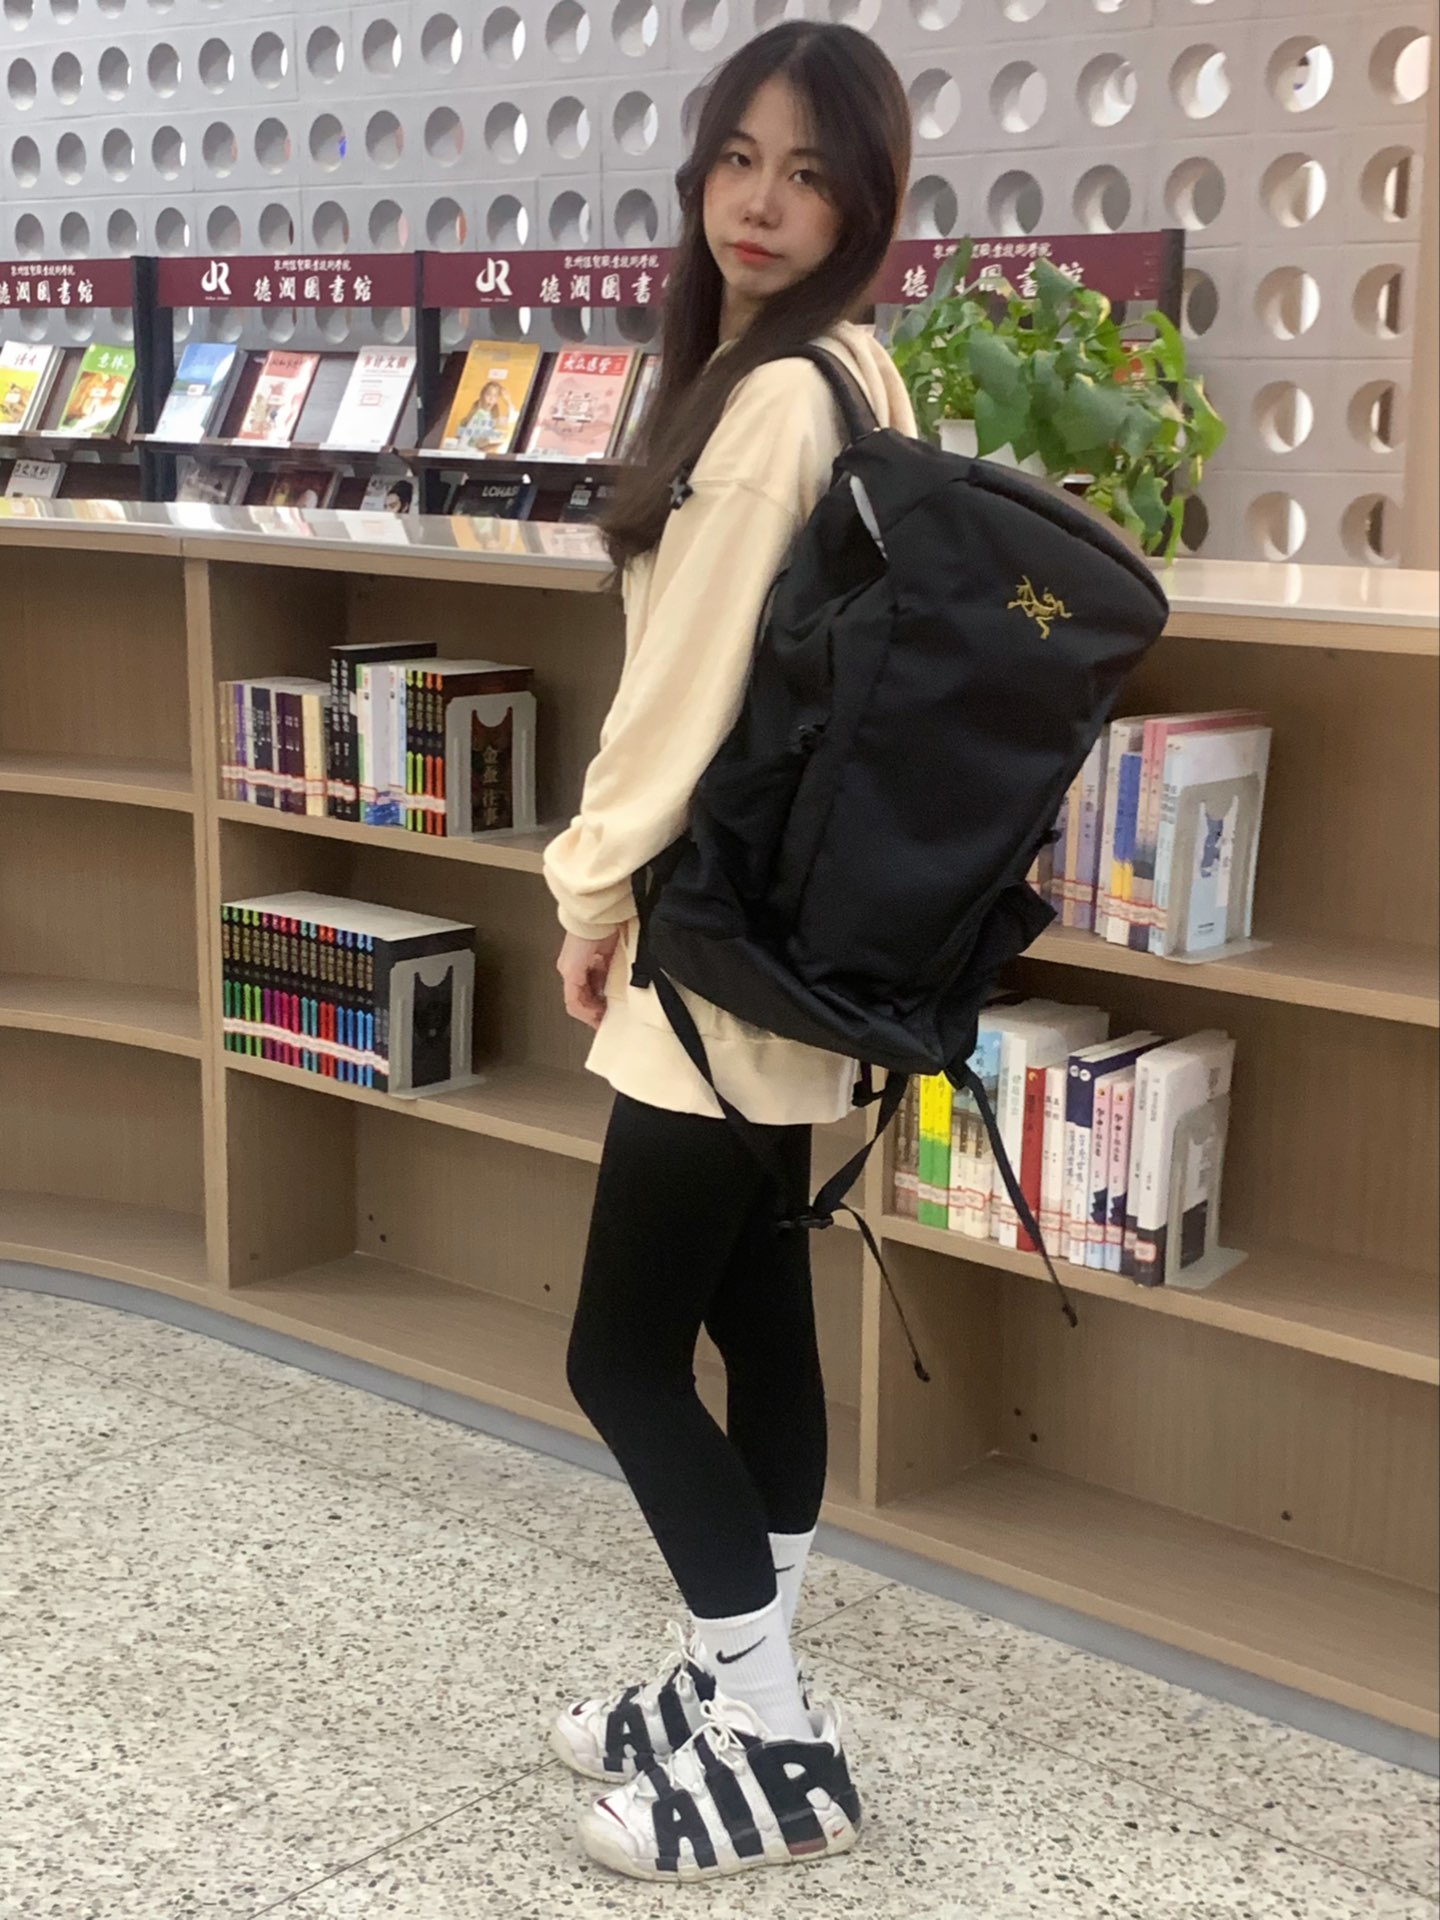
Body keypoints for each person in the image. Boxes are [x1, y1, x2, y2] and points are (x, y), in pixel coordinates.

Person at [540, 20, 915, 1886]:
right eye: (738, 159)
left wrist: (589, 895)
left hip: (711, 954)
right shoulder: (854, 370)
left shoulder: (769, 403)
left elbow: (678, 696)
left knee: (618, 1355)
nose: (760, 202)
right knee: (754, 1316)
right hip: (797, 946)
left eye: (810, 173)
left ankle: (773, 1740)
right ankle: (731, 1679)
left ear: (863, 202)